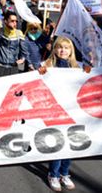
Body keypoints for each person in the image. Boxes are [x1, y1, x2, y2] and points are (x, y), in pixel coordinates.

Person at [38, 37, 91, 192]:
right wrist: (39, 73)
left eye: (67, 48)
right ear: (54, 49)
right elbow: (35, 83)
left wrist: (89, 72)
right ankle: (53, 174)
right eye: (60, 47)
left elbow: (89, 81)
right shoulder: (46, 66)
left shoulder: (78, 67)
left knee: (70, 143)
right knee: (58, 143)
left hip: (73, 111)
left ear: (71, 50)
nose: (63, 51)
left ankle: (65, 173)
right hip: (54, 112)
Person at [0, 11, 28, 76]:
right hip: (0, 66)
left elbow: (24, 50)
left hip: (13, 66)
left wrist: (22, 59)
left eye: (16, 21)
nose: (15, 23)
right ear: (5, 21)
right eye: (12, 21)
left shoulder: (19, 33)